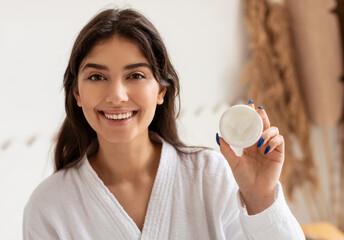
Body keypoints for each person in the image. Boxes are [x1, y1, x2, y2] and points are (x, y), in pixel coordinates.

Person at [23, 8, 305, 240]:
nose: (117, 96)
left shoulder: (209, 175)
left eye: (135, 76)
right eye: (97, 77)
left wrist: (261, 196)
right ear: (77, 95)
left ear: (161, 91)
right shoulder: (49, 206)